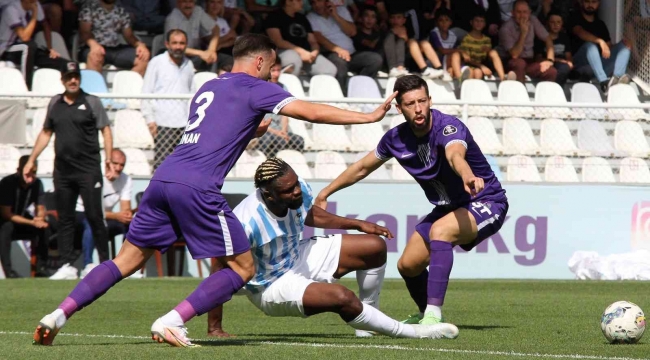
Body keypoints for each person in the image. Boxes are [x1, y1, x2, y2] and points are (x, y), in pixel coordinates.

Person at [32, 33, 398, 347]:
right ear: (258, 62)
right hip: (197, 186)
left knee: (124, 261)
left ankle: (58, 314)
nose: (273, 75)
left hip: (163, 178)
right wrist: (367, 116)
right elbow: (311, 113)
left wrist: (250, 130)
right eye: (271, 68)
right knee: (242, 267)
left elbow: (216, 131)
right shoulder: (257, 86)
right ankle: (173, 320)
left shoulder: (208, 86)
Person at [316, 75, 509, 327]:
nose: (418, 108)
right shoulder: (395, 139)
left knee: (440, 231)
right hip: (447, 207)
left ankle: (433, 314)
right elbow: (362, 167)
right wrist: (325, 193)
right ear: (399, 108)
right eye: (410, 104)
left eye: (422, 101)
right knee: (408, 265)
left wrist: (468, 175)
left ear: (430, 100)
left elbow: (455, 155)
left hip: (485, 199)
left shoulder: (449, 127)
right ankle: (423, 312)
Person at [213, 158, 459, 339]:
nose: (296, 190)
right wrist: (215, 327)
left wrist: (356, 224)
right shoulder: (246, 221)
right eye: (288, 190)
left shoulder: (297, 189)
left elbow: (309, 214)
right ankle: (412, 332)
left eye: (296, 183)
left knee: (374, 247)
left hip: (296, 255)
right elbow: (218, 266)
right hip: (271, 285)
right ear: (268, 194)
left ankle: (367, 323)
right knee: (342, 297)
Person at [24, 63, 114, 281]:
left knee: (94, 216)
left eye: (76, 77)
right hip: (63, 171)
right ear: (62, 79)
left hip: (88, 170)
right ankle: (67, 266)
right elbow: (46, 133)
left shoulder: (92, 101)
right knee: (65, 218)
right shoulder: (55, 102)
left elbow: (106, 130)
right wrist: (31, 159)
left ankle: (107, 265)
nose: (73, 81)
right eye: (69, 77)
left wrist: (109, 158)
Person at [141, 29, 195, 170]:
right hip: (162, 123)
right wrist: (150, 120)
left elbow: (192, 94)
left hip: (184, 125)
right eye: (175, 43)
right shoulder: (156, 63)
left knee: (185, 167)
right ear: (167, 44)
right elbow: (146, 93)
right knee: (161, 168)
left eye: (182, 43)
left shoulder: (188, 65)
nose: (178, 46)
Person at [76, 149, 133, 278]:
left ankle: (126, 265)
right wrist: (117, 215)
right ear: (108, 162)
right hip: (82, 213)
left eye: (122, 165)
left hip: (106, 216)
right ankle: (88, 265)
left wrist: (126, 216)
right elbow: (92, 210)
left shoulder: (126, 179)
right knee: (92, 223)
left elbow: (125, 209)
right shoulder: (95, 175)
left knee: (131, 225)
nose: (118, 168)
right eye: (115, 163)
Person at [307, 0, 383, 91]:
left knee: (375, 59)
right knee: (340, 63)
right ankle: (341, 99)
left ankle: (358, 90)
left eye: (318, 1)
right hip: (331, 53)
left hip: (351, 54)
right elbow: (319, 38)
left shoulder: (341, 11)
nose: (316, 5)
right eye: (313, 3)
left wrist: (335, 16)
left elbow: (352, 32)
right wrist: (338, 50)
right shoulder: (310, 17)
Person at [0, 0, 75, 89]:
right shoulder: (11, 9)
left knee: (68, 64)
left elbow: (45, 25)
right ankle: (27, 86)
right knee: (30, 46)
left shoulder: (35, 5)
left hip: (27, 49)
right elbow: (25, 37)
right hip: (7, 49)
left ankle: (70, 91)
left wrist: (50, 48)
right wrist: (34, 15)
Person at [0, 156, 50, 279]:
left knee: (44, 228)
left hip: (23, 221)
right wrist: (32, 222)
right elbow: (6, 214)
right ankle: (9, 272)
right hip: (4, 222)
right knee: (6, 228)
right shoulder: (7, 182)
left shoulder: (37, 184)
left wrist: (40, 219)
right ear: (19, 171)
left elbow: (40, 207)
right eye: (27, 173)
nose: (30, 177)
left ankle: (41, 269)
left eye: (33, 173)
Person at [569, 0, 631, 94]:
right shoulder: (575, 18)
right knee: (590, 46)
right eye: (587, 2)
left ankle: (616, 79)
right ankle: (604, 82)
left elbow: (609, 48)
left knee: (624, 47)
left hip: (599, 68)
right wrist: (600, 41)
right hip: (580, 66)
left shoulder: (600, 24)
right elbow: (580, 32)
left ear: (599, 4)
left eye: (594, 2)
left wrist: (622, 45)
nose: (590, 5)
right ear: (582, 2)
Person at [264, 0, 337, 78]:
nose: (302, 3)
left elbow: (312, 41)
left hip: (307, 54)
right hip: (283, 52)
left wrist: (314, 53)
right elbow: (278, 41)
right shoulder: (274, 16)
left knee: (330, 70)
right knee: (294, 59)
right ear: (288, 2)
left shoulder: (302, 18)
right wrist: (301, 52)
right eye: (298, 0)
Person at [78, 0, 150, 76]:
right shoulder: (89, 7)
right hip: (93, 47)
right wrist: (94, 45)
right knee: (95, 56)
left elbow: (129, 36)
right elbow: (84, 32)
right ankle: (95, 86)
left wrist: (140, 45)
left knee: (143, 57)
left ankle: (126, 86)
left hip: (115, 49)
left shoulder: (120, 9)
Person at [498, 0, 557, 83]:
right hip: (511, 61)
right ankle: (521, 93)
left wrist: (550, 61)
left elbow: (548, 39)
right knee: (520, 63)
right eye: (519, 12)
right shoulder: (506, 28)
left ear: (529, 13)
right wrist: (523, 33)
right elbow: (514, 54)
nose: (522, 15)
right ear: (512, 13)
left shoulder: (533, 20)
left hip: (529, 62)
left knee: (551, 71)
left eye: (525, 12)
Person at [255, 62, 305, 157]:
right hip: (267, 131)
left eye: (278, 70)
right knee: (268, 140)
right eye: (273, 71)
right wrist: (277, 133)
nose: (277, 74)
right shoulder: (260, 89)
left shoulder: (283, 88)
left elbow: (285, 114)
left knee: (299, 140)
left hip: (281, 131)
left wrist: (283, 131)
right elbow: (259, 121)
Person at [164, 0, 221, 71]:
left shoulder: (198, 11)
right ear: (178, 3)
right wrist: (201, 53)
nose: (188, 5)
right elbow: (174, 47)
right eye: (184, 2)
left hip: (197, 54)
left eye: (191, 1)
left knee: (216, 58)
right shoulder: (172, 19)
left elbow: (216, 29)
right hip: (178, 56)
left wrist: (211, 49)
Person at [387, 9, 444, 79]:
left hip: (409, 56)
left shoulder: (407, 29)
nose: (395, 20)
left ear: (404, 20)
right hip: (394, 63)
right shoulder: (386, 29)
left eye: (398, 17)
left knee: (424, 43)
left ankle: (440, 70)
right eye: (393, 18)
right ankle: (424, 70)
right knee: (411, 42)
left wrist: (404, 36)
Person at [458, 11, 513, 81]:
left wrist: (488, 52)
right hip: (469, 66)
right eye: (476, 21)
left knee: (493, 52)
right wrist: (481, 66)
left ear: (484, 24)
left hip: (482, 66)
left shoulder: (487, 40)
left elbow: (486, 58)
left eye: (481, 21)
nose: (479, 23)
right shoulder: (466, 38)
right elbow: (467, 59)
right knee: (476, 72)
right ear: (471, 22)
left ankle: (503, 78)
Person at [535, 11, 572, 85]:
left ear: (562, 24)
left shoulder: (564, 38)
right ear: (547, 23)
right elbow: (538, 58)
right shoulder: (541, 38)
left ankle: (557, 89)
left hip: (562, 66)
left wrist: (569, 62)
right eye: (552, 22)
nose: (556, 25)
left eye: (558, 22)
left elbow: (568, 56)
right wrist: (557, 60)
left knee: (565, 68)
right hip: (546, 64)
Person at [205, 0, 237, 67]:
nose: (215, 5)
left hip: (226, 49)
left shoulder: (222, 21)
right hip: (212, 54)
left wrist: (221, 44)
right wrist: (228, 36)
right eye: (212, 2)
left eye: (219, 2)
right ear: (207, 4)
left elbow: (233, 38)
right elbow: (209, 41)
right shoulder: (202, 20)